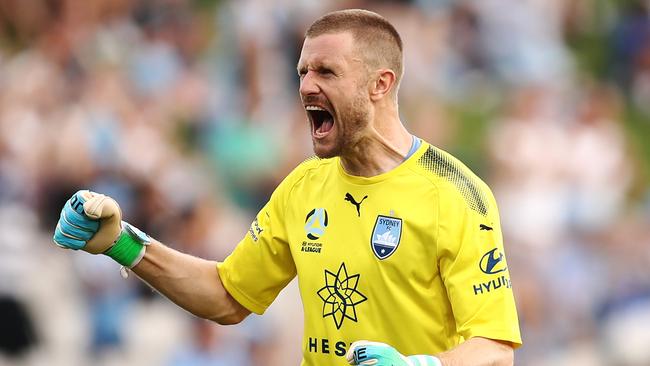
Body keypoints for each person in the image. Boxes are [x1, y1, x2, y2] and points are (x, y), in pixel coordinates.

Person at [53, 9, 522, 366]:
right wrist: (122, 243)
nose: (305, 87)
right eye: (302, 72)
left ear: (380, 84)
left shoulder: (455, 193)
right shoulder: (303, 186)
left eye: (326, 72)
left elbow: (496, 346)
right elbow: (227, 295)